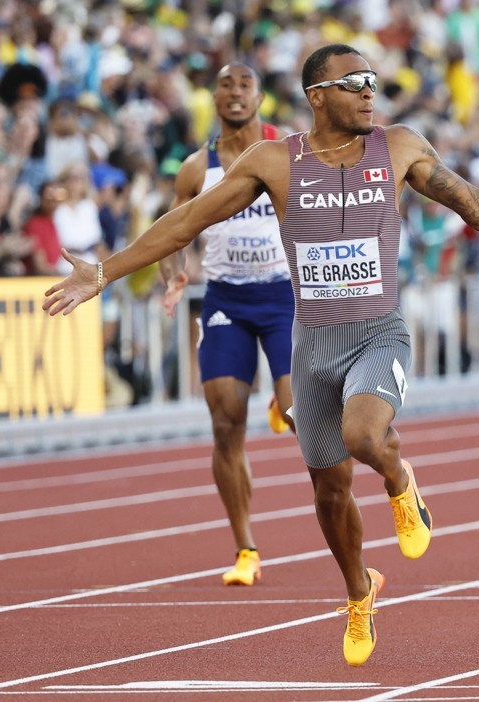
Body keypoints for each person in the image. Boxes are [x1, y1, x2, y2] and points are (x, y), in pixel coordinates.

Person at [44, 43, 479, 667]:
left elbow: (475, 205)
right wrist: (105, 272)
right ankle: (360, 592)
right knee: (330, 492)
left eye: (373, 81)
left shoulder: (402, 147)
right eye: (354, 82)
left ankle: (400, 479)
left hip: (377, 332)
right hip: (312, 344)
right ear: (317, 96)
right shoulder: (274, 162)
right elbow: (187, 222)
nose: (369, 92)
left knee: (364, 435)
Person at [159, 63, 294, 588]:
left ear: (260, 97)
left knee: (298, 413)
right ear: (213, 97)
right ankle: (246, 549)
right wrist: (174, 277)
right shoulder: (197, 168)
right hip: (225, 301)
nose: (235, 94)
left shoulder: (287, 152)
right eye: (225, 86)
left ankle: (280, 401)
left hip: (283, 297)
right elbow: (171, 233)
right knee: (224, 420)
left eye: (244, 86)